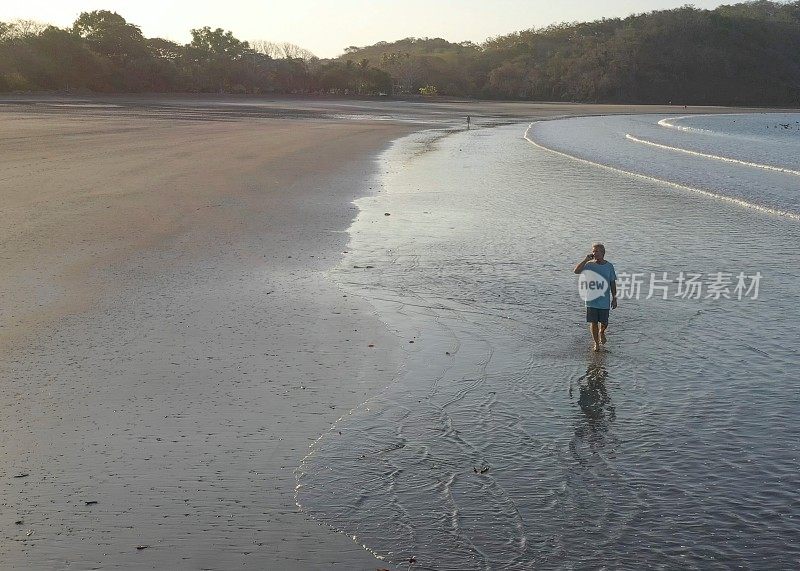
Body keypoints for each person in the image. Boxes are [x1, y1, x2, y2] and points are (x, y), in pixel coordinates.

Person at [573, 243, 617, 352]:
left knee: (604, 322)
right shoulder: (589, 265)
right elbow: (576, 271)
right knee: (593, 322)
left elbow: (612, 282)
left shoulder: (609, 266)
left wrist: (615, 298)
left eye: (597, 251)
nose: (594, 253)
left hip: (604, 300)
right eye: (593, 251)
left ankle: (602, 332)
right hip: (591, 299)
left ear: (603, 253)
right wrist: (585, 259)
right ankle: (596, 343)